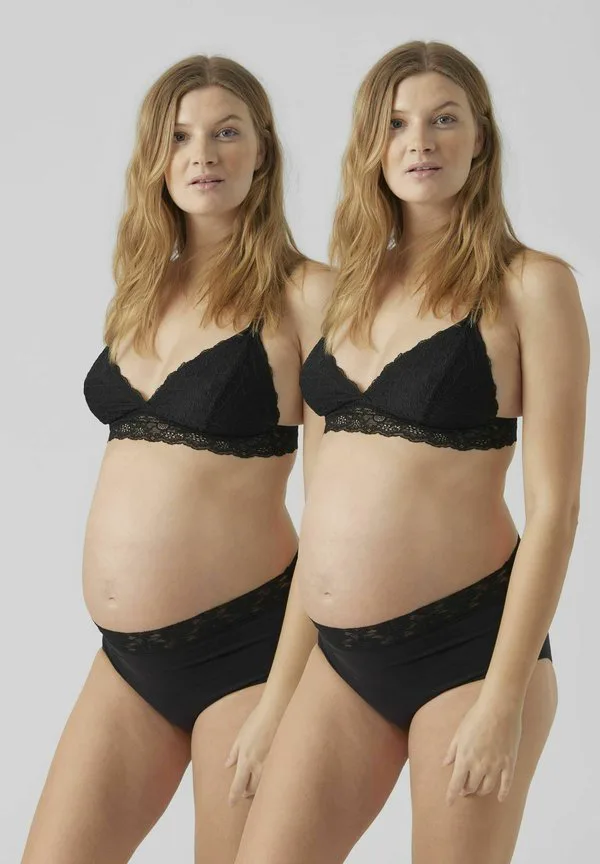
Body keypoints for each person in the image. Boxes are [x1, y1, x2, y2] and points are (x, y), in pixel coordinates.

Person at [234, 40, 589, 864]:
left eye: (444, 119)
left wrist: (503, 698)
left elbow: (557, 511)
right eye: (396, 124)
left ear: (481, 138)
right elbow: (321, 514)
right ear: (372, 144)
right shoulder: (348, 290)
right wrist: (276, 698)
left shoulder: (533, 286)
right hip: (338, 661)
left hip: (469, 654)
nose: (420, 141)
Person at [21, 55, 331, 864]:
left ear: (262, 150)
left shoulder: (308, 297)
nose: (203, 155)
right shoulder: (140, 289)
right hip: (128, 664)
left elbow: (341, 513)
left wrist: (287, 697)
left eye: (227, 133)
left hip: (251, 655)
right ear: (155, 158)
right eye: (181, 136)